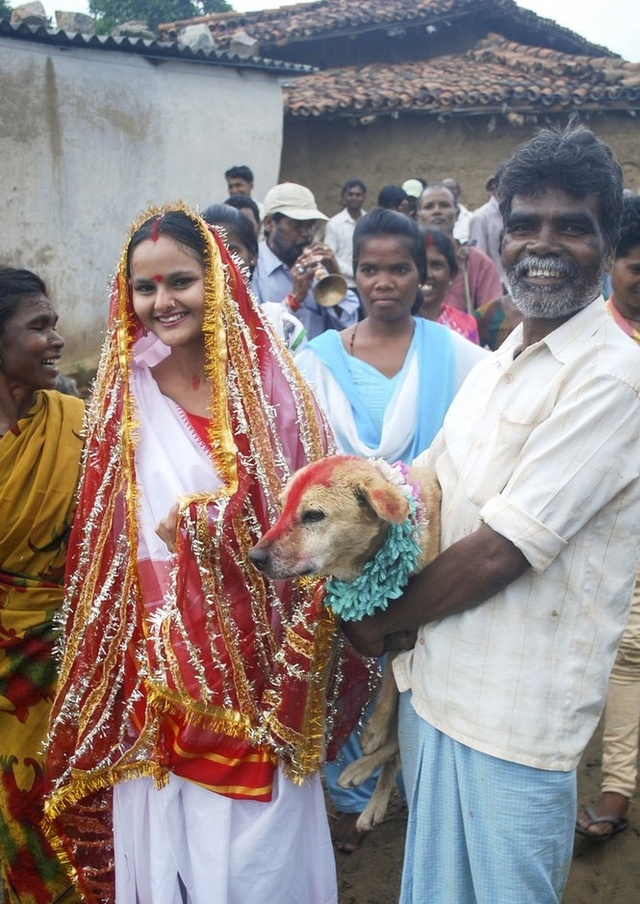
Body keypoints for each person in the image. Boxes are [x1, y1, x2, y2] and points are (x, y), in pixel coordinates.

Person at [342, 123, 640, 903]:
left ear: (607, 243)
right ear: (498, 237)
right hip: (434, 689)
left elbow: (506, 547)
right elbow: (420, 489)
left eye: (572, 226)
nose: (543, 244)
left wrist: (377, 621)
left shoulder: (614, 378)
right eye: (525, 224)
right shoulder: (501, 358)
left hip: (514, 721)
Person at [44, 205, 372, 903]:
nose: (163, 302)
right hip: (158, 673)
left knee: (262, 854)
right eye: (146, 287)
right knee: (171, 847)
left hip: (268, 667)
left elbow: (322, 515)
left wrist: (209, 526)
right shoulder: (125, 398)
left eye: (180, 281)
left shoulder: (276, 390)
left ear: (217, 280)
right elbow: (110, 547)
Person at [295, 208, 486, 852]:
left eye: (400, 268)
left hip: (430, 550)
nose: (384, 282)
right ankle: (350, 792)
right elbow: (300, 451)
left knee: (421, 660)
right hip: (341, 553)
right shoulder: (315, 361)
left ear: (423, 276)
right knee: (346, 660)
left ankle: (415, 782)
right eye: (370, 268)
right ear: (352, 276)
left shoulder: (460, 357)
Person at [0, 268, 84, 903]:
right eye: (38, 327)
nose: (56, 340)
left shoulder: (79, 426)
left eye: (53, 324)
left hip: (62, 653)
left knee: (52, 804)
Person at [576, 193, 640, 841]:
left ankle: (616, 789)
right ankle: (555, 779)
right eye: (635, 269)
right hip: (583, 522)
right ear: (610, 266)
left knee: (629, 655)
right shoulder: (585, 338)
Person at [251, 182, 360, 339]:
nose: (306, 234)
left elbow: (348, 331)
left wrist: (335, 277)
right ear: (269, 224)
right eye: (296, 225)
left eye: (310, 226)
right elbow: (254, 337)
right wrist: (294, 299)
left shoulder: (315, 268)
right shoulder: (252, 268)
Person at [202, 202, 306, 353]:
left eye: (231, 250)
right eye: (208, 252)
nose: (220, 261)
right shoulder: (181, 327)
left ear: (253, 256)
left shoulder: (281, 327)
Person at [417, 183, 502, 313]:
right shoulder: (407, 261)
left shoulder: (478, 262)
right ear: (418, 216)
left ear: (457, 215)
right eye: (429, 207)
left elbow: (491, 316)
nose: (437, 211)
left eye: (444, 205)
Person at [418, 227, 480, 343]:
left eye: (436, 265)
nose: (427, 274)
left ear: (451, 275)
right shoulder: (395, 324)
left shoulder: (466, 324)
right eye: (420, 265)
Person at [469, 165, 508, 288]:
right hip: (496, 288)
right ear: (494, 187)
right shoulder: (481, 218)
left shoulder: (518, 214)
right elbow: (478, 261)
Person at [324, 179, 367, 287]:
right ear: (344, 197)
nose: (354, 198)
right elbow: (330, 256)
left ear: (364, 197)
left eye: (358, 195)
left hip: (366, 283)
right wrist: (353, 272)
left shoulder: (369, 222)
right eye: (350, 195)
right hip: (343, 284)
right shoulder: (334, 224)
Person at [441, 176, 472, 244]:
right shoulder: (436, 218)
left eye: (452, 188)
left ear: (459, 192)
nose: (449, 191)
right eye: (445, 188)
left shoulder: (471, 218)